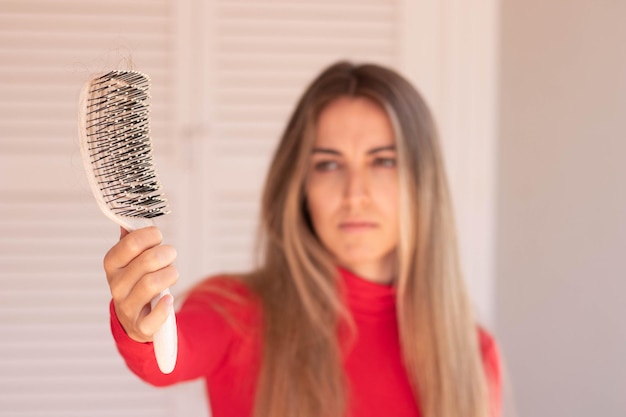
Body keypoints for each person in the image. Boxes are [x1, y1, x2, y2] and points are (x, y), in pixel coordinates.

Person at [104, 61, 501, 417]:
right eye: (328, 164)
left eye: (383, 161)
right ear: (300, 185)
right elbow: (167, 359)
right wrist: (139, 324)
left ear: (422, 182)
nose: (354, 194)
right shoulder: (237, 310)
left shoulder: (471, 354)